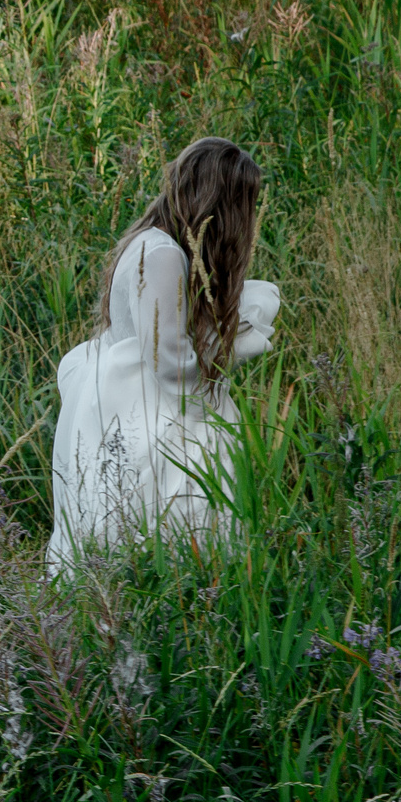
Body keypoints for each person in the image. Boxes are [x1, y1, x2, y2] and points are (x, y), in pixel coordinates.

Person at [49, 137, 280, 574]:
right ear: (222, 203)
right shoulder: (162, 256)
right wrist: (225, 352)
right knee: (166, 542)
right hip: (148, 423)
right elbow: (171, 364)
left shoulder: (151, 244)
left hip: (127, 410)